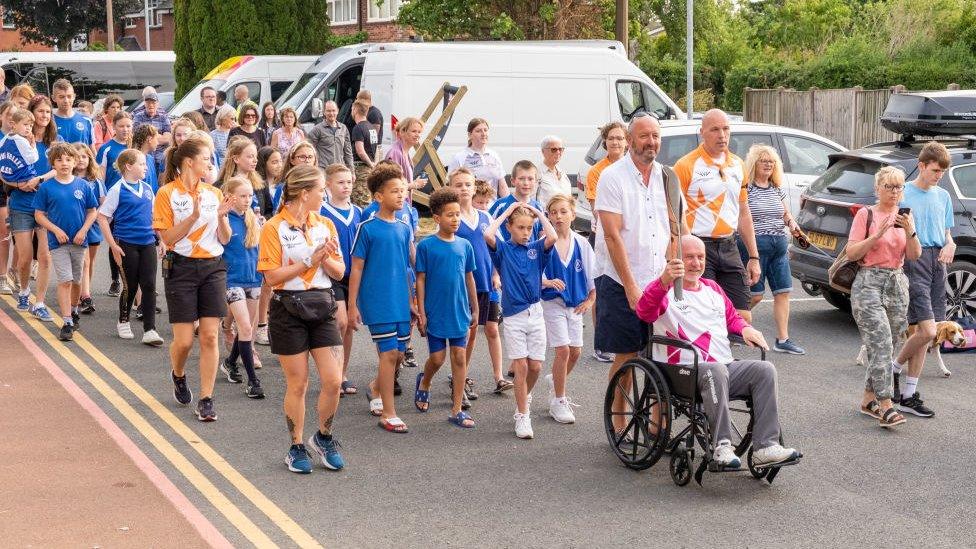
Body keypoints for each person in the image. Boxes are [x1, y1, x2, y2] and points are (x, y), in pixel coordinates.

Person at [636, 234, 800, 467]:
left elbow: (732, 318)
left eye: (700, 257)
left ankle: (765, 447)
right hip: (682, 371)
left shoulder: (712, 288)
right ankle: (722, 446)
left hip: (722, 366)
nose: (696, 263)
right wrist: (664, 280)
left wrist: (745, 329)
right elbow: (644, 312)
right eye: (689, 257)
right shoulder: (665, 290)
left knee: (764, 370)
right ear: (676, 259)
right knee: (715, 370)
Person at [594, 114, 681, 436]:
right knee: (627, 354)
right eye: (644, 137)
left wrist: (673, 273)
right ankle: (618, 420)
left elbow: (675, 228)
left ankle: (657, 426)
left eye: (656, 136)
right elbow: (613, 236)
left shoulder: (666, 177)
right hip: (620, 280)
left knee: (662, 353)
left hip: (659, 281)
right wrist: (631, 287)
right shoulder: (612, 177)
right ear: (630, 140)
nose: (651, 143)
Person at [258, 164, 347, 473]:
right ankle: (296, 446)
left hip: (322, 305)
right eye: (322, 190)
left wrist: (326, 258)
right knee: (298, 383)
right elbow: (271, 278)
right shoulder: (274, 227)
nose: (325, 194)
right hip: (288, 309)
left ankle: (323, 437)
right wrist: (311, 259)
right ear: (305, 193)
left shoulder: (325, 224)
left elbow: (339, 271)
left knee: (334, 380)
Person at [153, 135, 234, 422]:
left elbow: (224, 239)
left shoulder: (214, 193)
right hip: (181, 268)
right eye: (206, 159)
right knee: (185, 341)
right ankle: (178, 373)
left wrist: (223, 217)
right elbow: (167, 238)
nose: (210, 164)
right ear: (190, 162)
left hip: (213, 267)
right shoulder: (167, 194)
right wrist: (192, 218)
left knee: (210, 336)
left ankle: (206, 398)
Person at [848, 166, 921, 429]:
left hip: (897, 283)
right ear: (877, 188)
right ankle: (886, 404)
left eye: (898, 187)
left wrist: (910, 230)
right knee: (880, 343)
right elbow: (852, 252)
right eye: (888, 186)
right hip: (868, 282)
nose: (893, 192)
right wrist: (877, 235)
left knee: (887, 344)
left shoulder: (906, 216)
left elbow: (914, 255)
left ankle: (868, 399)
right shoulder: (866, 214)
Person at [673, 109, 759, 323]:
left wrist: (754, 257)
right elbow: (674, 213)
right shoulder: (685, 166)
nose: (722, 135)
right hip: (699, 247)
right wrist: (685, 245)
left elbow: (744, 211)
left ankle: (723, 354)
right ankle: (705, 355)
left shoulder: (738, 164)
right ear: (702, 132)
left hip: (729, 246)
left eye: (726, 129)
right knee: (705, 313)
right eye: (715, 130)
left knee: (742, 316)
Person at [347, 163, 414, 433]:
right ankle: (389, 412)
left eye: (403, 191)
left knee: (398, 355)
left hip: (400, 299)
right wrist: (352, 306)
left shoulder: (404, 228)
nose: (401, 196)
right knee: (388, 355)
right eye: (394, 191)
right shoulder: (367, 228)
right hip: (377, 301)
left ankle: (376, 387)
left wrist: (413, 301)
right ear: (378, 197)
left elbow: (409, 267)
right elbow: (357, 268)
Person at [484, 201, 557, 439]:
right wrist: (507, 211)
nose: (525, 232)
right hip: (514, 315)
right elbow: (488, 233)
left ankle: (523, 395)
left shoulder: (536, 248)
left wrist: (537, 213)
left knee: (536, 365)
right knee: (522, 365)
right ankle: (522, 415)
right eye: (520, 228)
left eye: (529, 228)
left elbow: (553, 237)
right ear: (510, 227)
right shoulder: (503, 250)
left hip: (535, 312)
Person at [893, 142, 955, 418]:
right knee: (928, 331)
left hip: (938, 264)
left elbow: (947, 232)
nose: (939, 175)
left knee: (925, 334)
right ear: (921, 166)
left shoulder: (943, 196)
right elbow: (894, 234)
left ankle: (908, 394)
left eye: (942, 171)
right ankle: (893, 369)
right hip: (914, 260)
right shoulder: (903, 194)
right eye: (935, 170)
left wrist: (950, 243)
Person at [414, 187, 479, 428]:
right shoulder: (426, 246)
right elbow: (420, 279)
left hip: (459, 310)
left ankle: (456, 408)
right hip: (435, 311)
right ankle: (425, 381)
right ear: (437, 218)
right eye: (449, 215)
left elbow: (469, 277)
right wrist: (421, 311)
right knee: (437, 358)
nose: (455, 219)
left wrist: (475, 307)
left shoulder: (465, 245)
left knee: (459, 357)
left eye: (458, 214)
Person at [738, 144, 805, 355]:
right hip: (756, 245)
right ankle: (730, 326)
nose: (768, 164)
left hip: (779, 245)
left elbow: (786, 215)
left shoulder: (776, 188)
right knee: (755, 295)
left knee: (783, 292)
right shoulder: (746, 189)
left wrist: (793, 225)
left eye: (771, 161)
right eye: (763, 161)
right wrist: (751, 253)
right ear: (754, 164)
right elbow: (742, 217)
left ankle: (782, 340)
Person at [450, 168, 512, 394]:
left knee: (475, 331)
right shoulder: (451, 217)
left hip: (485, 282)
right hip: (462, 285)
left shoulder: (485, 217)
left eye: (467, 185)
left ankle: (464, 375)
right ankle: (458, 379)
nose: (464, 189)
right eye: (458, 185)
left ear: (474, 188)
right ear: (451, 189)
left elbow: (497, 249)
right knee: (464, 333)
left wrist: (496, 273)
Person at [96, 149, 163, 346]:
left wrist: (162, 239)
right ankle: (123, 320)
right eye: (141, 164)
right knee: (131, 285)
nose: (145, 167)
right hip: (126, 243)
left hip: (147, 242)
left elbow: (154, 218)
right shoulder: (117, 189)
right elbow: (102, 217)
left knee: (150, 285)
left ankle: (150, 329)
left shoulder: (148, 189)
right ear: (128, 166)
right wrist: (113, 245)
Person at [32, 142, 98, 341]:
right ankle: (67, 320)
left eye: (68, 159)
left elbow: (92, 211)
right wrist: (55, 230)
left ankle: (74, 308)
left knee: (76, 280)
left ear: (75, 161)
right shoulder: (46, 187)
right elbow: (39, 215)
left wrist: (84, 230)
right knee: (65, 280)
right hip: (58, 243)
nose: (64, 163)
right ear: (52, 163)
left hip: (79, 241)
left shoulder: (83, 185)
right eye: (59, 160)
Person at [541, 194, 595, 424]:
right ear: (549, 216)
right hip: (553, 302)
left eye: (563, 211)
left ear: (573, 214)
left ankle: (556, 379)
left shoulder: (582, 244)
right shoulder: (544, 242)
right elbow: (533, 274)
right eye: (554, 212)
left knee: (575, 352)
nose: (559, 216)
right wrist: (547, 282)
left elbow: (593, 278)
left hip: (575, 304)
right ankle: (559, 400)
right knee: (562, 350)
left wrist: (590, 301)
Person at [2, 105, 55, 319]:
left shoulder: (52, 143)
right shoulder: (10, 141)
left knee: (44, 256)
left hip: (43, 201)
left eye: (46, 113)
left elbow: (61, 169)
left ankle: (40, 302)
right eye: (37, 115)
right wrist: (17, 184)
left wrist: (38, 179)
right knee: (24, 257)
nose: (41, 118)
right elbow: (3, 174)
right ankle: (24, 291)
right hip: (20, 203)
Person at [218, 176, 265, 398]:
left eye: (250, 196)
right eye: (242, 196)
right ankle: (253, 382)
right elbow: (225, 240)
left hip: (253, 279)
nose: (247, 200)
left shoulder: (253, 219)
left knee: (247, 330)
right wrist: (221, 217)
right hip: (232, 279)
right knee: (245, 328)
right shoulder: (224, 217)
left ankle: (229, 362)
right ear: (230, 196)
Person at [319, 163, 362, 396]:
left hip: (352, 275)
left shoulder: (358, 212)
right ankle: (333, 373)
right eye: (340, 182)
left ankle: (342, 373)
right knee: (341, 321)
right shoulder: (323, 212)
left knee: (349, 327)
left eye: (349, 182)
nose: (346, 186)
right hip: (331, 274)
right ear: (328, 185)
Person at [586, 121, 627, 363]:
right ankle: (600, 343)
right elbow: (596, 211)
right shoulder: (597, 171)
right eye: (611, 138)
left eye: (619, 138)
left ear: (626, 141)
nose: (615, 142)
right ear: (605, 142)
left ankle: (621, 340)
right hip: (602, 236)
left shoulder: (631, 167)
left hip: (627, 236)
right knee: (602, 290)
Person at [96, 111, 134, 297]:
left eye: (128, 126)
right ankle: (115, 279)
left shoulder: (135, 147)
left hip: (133, 202)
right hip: (113, 202)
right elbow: (99, 175)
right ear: (114, 127)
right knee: (115, 242)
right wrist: (102, 198)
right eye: (121, 126)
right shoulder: (107, 149)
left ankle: (138, 282)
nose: (125, 129)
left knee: (134, 242)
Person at [253, 145, 285, 347]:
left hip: (278, 233)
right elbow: (268, 210)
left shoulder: (280, 184)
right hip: (263, 235)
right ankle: (261, 324)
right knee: (266, 282)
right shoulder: (259, 185)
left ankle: (273, 323)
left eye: (280, 161)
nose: (278, 165)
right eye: (273, 162)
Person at [73, 143, 104, 316]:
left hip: (93, 226)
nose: (81, 160)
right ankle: (84, 295)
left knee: (90, 261)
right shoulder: (69, 179)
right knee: (83, 262)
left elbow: (103, 202)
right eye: (76, 157)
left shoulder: (95, 181)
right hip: (77, 225)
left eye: (84, 156)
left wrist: (95, 216)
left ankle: (86, 289)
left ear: (90, 159)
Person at [447, 118, 508, 198]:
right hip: (470, 207)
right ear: (470, 135)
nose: (483, 134)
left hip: (491, 206)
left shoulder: (494, 155)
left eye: (485, 130)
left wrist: (508, 205)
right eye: (478, 131)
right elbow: (450, 186)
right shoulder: (459, 157)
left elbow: (502, 186)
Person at [488, 160, 541, 242]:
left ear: (536, 181)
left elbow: (542, 234)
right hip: (506, 253)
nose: (526, 183)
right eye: (521, 178)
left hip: (531, 253)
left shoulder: (538, 207)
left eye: (530, 179)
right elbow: (486, 228)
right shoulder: (500, 205)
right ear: (513, 181)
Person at [382, 116, 426, 207]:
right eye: (414, 131)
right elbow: (392, 185)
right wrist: (415, 185)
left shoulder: (405, 152)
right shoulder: (395, 153)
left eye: (419, 132)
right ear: (402, 132)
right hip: (395, 206)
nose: (417, 135)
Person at [307, 100, 353, 172]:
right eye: (328, 111)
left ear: (337, 111)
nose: (331, 113)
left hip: (339, 170)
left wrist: (351, 171)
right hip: (323, 170)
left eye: (333, 110)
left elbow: (348, 152)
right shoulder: (317, 129)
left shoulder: (343, 128)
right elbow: (308, 149)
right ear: (324, 112)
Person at [132, 92, 172, 171]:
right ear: (144, 104)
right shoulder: (138, 117)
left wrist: (148, 137)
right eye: (148, 102)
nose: (151, 105)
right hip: (144, 156)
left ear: (158, 104)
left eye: (153, 102)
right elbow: (137, 138)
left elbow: (167, 139)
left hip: (161, 156)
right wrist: (159, 136)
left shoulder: (164, 117)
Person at [350, 100, 378, 203]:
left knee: (360, 201)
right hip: (370, 169)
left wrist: (370, 164)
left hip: (361, 170)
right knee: (368, 199)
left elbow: (360, 151)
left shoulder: (358, 128)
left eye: (352, 109)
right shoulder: (372, 128)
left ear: (355, 110)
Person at [51, 79, 93, 146]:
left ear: (74, 96)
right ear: (53, 98)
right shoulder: (49, 121)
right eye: (61, 97)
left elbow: (91, 148)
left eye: (69, 96)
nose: (66, 100)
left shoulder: (86, 120)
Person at [536, 135, 572, 206]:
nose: (558, 152)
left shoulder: (562, 173)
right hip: (545, 216)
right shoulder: (537, 174)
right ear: (543, 151)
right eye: (554, 149)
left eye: (560, 149)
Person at [132, 124, 159, 192]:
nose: (158, 143)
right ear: (149, 139)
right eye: (157, 139)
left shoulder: (150, 158)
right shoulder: (133, 160)